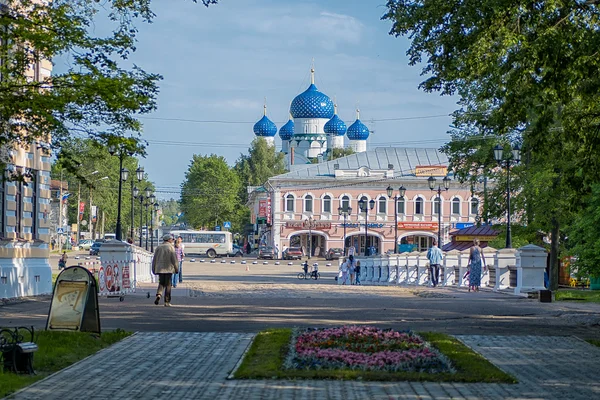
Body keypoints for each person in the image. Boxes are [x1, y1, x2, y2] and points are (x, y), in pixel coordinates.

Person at [152, 234, 179, 307]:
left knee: (161, 283)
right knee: (168, 285)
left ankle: (159, 294)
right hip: (168, 268)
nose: (173, 241)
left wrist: (153, 269)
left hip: (160, 268)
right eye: (172, 239)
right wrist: (176, 268)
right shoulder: (171, 247)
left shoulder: (158, 247)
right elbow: (174, 259)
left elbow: (154, 259)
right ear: (169, 240)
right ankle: (167, 301)